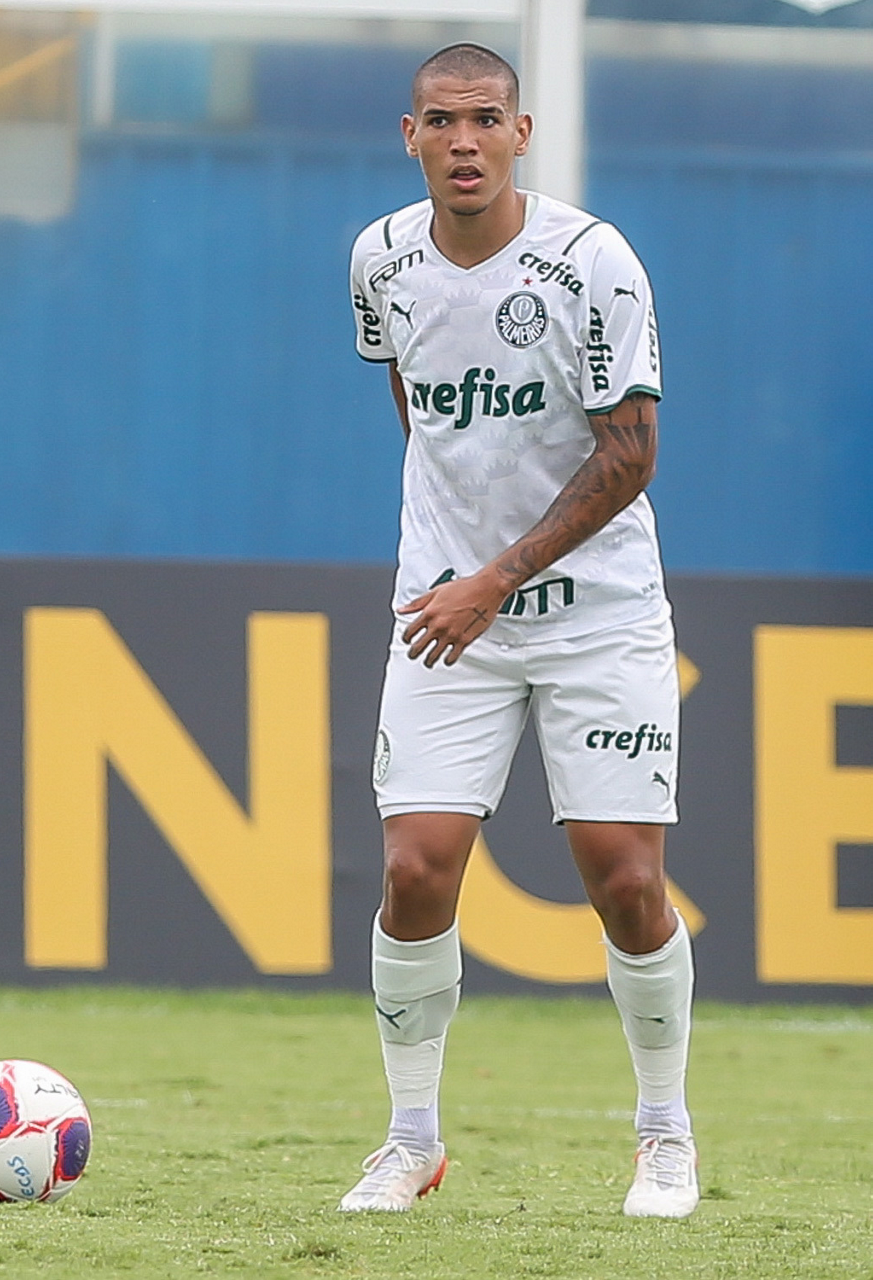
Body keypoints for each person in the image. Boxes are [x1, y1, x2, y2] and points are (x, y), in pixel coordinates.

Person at [341, 42, 697, 1219]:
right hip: (450, 614)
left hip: (596, 615)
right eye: (442, 121)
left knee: (626, 877)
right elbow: (416, 400)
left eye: (486, 119)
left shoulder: (594, 264)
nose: (465, 142)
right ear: (410, 136)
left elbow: (631, 455)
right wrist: (459, 566)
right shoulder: (380, 260)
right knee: (413, 867)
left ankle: (664, 1133)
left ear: (521, 133)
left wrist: (494, 574)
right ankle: (409, 1140)